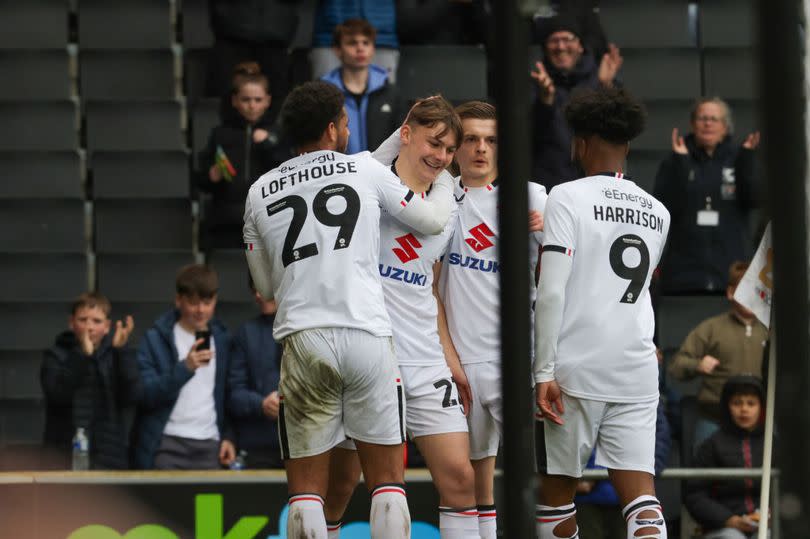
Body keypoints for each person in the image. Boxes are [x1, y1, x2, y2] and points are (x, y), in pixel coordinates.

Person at [242, 80, 456, 538]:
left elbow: (263, 286)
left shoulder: (260, 191)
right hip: (368, 337)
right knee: (387, 485)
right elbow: (434, 219)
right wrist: (448, 183)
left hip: (304, 339)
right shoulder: (361, 170)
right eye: (343, 122)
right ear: (332, 129)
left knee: (305, 497)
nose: (347, 129)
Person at [322, 96, 480, 538]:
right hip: (369, 356)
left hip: (425, 359)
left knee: (460, 479)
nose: (442, 157)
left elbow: (431, 286)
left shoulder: (448, 208)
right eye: (435, 143)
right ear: (406, 136)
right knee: (341, 488)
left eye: (450, 150)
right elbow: (371, 162)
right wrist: (407, 118)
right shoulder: (368, 185)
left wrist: (449, 356)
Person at [533, 86, 670, 539]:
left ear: (580, 143)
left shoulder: (565, 197)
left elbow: (550, 290)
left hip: (576, 365)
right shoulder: (659, 212)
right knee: (642, 498)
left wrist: (543, 370)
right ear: (627, 146)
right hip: (636, 364)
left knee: (555, 497)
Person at [436, 101, 548, 539]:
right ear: (454, 145)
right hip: (458, 364)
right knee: (471, 485)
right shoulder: (435, 203)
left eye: (491, 139)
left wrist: (544, 236)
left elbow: (561, 279)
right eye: (470, 139)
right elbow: (428, 285)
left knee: (540, 482)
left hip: (517, 364)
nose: (481, 149)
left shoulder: (533, 197)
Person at [131, 264, 236, 470]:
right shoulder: (155, 339)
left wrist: (229, 437)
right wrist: (184, 368)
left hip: (210, 445)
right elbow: (145, 395)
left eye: (207, 302)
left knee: (210, 504)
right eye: (193, 303)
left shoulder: (223, 340)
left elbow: (229, 395)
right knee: (167, 503)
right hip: (168, 444)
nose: (201, 310)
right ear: (178, 300)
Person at [654, 98, 761, 294]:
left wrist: (747, 160)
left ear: (725, 126)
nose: (708, 123)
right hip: (684, 274)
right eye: (702, 118)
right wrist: (681, 163)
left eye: (714, 119)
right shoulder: (675, 159)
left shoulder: (740, 158)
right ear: (693, 124)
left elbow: (753, 199)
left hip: (730, 275)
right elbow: (664, 206)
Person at [667, 261, 768, 448]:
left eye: (754, 289)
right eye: (743, 289)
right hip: (714, 420)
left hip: (761, 423)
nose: (749, 296)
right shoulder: (711, 328)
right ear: (731, 292)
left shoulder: (769, 333)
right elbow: (676, 365)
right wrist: (696, 365)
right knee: (702, 473)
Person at [40, 293, 139, 470]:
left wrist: (122, 352)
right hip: (64, 456)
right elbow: (57, 395)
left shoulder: (114, 354)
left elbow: (132, 396)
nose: (89, 327)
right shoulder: (55, 355)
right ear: (71, 323)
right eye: (83, 320)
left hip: (109, 456)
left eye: (96, 321)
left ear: (108, 326)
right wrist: (81, 356)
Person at [198, 62, 291, 250]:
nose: (251, 105)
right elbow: (201, 180)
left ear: (268, 101)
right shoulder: (220, 134)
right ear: (234, 100)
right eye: (245, 99)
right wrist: (211, 176)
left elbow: (288, 173)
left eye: (257, 100)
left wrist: (268, 145)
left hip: (267, 220)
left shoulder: (278, 134)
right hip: (227, 220)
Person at [530, 13, 623, 191]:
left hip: (595, 189)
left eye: (567, 39)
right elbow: (525, 139)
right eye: (554, 40)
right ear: (545, 47)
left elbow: (620, 133)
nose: (561, 46)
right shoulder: (535, 82)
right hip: (547, 190)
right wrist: (545, 103)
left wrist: (606, 87)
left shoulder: (601, 79)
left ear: (580, 46)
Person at [685, 375, 766, 539]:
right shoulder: (712, 445)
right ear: (726, 407)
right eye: (737, 403)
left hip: (767, 524)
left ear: (761, 407)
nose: (744, 409)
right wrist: (729, 520)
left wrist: (771, 516)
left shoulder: (773, 444)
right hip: (722, 527)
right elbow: (695, 494)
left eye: (751, 403)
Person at [226, 276, 284, 468]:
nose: (258, 295)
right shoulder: (246, 333)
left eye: (263, 288)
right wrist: (261, 404)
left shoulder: (309, 330)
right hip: (257, 448)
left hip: (305, 444)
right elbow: (234, 395)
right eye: (253, 290)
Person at [206, 0, 300, 119]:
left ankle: (270, 134)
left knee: (281, 100)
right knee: (220, 97)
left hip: (276, 32)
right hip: (229, 30)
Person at [321, 19, 402, 155]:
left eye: (366, 43)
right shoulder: (323, 93)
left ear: (373, 49)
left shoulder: (391, 93)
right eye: (352, 43)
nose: (360, 48)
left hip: (380, 173)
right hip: (338, 172)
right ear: (337, 50)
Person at [310, 1, 399, 81]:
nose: (360, 48)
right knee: (325, 93)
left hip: (383, 35)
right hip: (329, 34)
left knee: (384, 93)